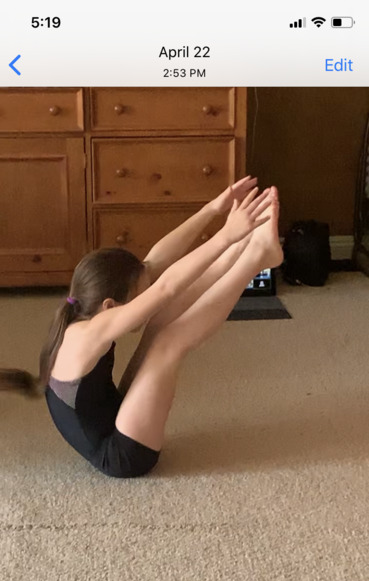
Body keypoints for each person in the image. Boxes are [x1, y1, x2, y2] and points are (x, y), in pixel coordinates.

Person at [0, 179, 282, 478]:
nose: (144, 297)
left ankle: (242, 249)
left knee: (159, 321)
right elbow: (165, 288)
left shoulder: (84, 310)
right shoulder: (88, 333)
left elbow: (154, 263)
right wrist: (225, 236)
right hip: (122, 455)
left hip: (116, 417)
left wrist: (213, 208)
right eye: (138, 296)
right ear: (110, 306)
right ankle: (256, 256)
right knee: (168, 342)